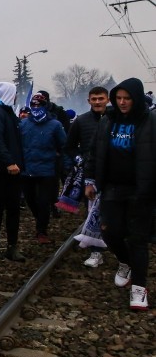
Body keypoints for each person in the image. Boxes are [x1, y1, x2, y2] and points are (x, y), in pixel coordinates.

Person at [84, 78, 153, 311]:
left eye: (127, 98)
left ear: (136, 99)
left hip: (141, 189)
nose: (122, 103)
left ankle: (139, 290)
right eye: (119, 98)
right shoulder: (108, 121)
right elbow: (95, 152)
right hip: (112, 187)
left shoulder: (150, 121)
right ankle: (125, 262)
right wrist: (90, 180)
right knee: (110, 232)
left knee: (138, 239)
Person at [64, 86, 109, 267]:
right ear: (88, 101)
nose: (97, 102)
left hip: (115, 174)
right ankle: (96, 251)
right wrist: (79, 159)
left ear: (107, 99)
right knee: (93, 213)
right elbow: (69, 146)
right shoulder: (81, 121)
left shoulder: (116, 119)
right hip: (90, 174)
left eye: (101, 98)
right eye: (94, 99)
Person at [0, 82, 25, 261]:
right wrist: (8, 161)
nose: (16, 97)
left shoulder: (7, 112)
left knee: (14, 209)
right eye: (14, 93)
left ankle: (12, 246)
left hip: (14, 171)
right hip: (0, 171)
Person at [20, 92, 67, 244]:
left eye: (39, 105)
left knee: (44, 202)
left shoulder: (55, 125)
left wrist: (65, 166)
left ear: (46, 106)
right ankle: (39, 218)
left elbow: (63, 145)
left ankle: (42, 230)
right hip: (27, 170)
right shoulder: (24, 124)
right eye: (33, 105)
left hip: (47, 170)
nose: (36, 108)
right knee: (31, 201)